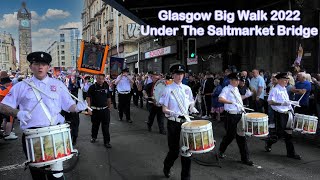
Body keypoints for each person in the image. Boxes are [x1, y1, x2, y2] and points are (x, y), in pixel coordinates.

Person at [0, 51, 87, 180]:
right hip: (32, 135)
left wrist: (77, 107)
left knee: (57, 176)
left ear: (48, 67)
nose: (40, 67)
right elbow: (2, 106)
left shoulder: (58, 85)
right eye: (36, 63)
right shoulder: (21, 86)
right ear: (31, 67)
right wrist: (18, 113)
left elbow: (68, 105)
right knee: (38, 175)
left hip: (55, 133)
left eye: (43, 64)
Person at [159, 64, 199, 180]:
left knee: (187, 151)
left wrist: (192, 108)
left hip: (185, 123)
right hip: (173, 123)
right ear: (172, 75)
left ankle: (185, 177)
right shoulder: (168, 89)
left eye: (181, 74)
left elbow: (191, 102)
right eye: (177, 74)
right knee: (174, 151)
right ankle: (167, 166)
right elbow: (164, 109)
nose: (179, 76)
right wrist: (172, 112)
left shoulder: (187, 88)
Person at [218, 72, 254, 166]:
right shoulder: (226, 89)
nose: (238, 82)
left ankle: (245, 158)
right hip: (231, 115)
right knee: (230, 136)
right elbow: (220, 99)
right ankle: (221, 150)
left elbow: (238, 100)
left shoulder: (236, 89)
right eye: (236, 80)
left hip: (239, 114)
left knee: (241, 137)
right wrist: (231, 103)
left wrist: (246, 95)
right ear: (231, 80)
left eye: (238, 80)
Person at [265, 72, 302, 160]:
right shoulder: (275, 90)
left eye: (287, 80)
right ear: (280, 80)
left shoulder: (284, 89)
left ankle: (291, 153)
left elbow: (286, 101)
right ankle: (269, 142)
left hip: (288, 113)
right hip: (279, 114)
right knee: (280, 134)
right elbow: (270, 102)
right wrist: (281, 103)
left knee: (288, 133)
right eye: (285, 80)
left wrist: (292, 103)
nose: (286, 81)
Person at [86, 74, 112, 148]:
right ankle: (94, 137)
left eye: (102, 79)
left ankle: (107, 142)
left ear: (104, 79)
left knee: (105, 127)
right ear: (96, 79)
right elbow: (88, 98)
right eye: (98, 78)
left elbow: (108, 97)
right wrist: (89, 108)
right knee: (95, 125)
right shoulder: (92, 87)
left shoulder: (106, 86)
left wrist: (109, 107)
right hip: (95, 110)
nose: (100, 80)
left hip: (105, 110)